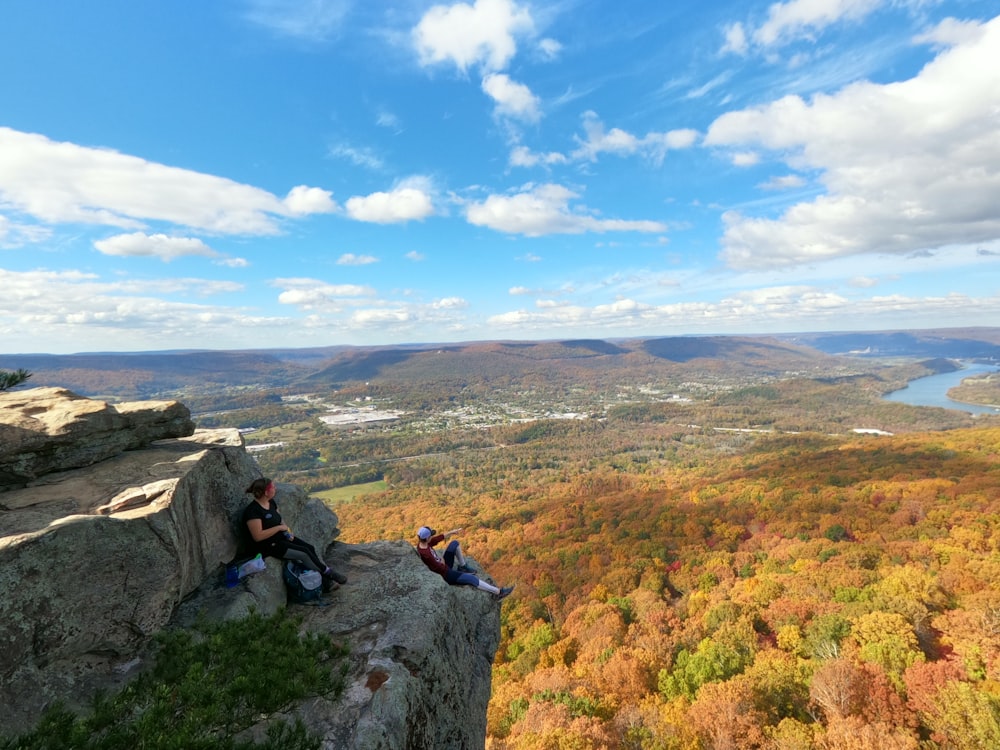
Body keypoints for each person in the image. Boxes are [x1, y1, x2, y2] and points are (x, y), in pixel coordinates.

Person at [242, 477, 346, 593]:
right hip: (268, 546)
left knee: (309, 548)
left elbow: (279, 518)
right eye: (273, 487)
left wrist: (286, 532)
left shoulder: (270, 502)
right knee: (303, 554)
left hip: (281, 537)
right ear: (266, 492)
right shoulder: (253, 511)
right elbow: (258, 536)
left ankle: (326, 581)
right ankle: (328, 574)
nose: (275, 489)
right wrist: (279, 528)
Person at [415, 525, 514, 601]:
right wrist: (443, 561)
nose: (432, 537)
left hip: (444, 567)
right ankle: (498, 592)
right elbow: (438, 567)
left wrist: (452, 532)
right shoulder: (426, 554)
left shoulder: (423, 544)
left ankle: (463, 567)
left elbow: (438, 538)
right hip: (445, 574)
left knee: (455, 543)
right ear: (427, 538)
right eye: (431, 535)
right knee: (472, 579)